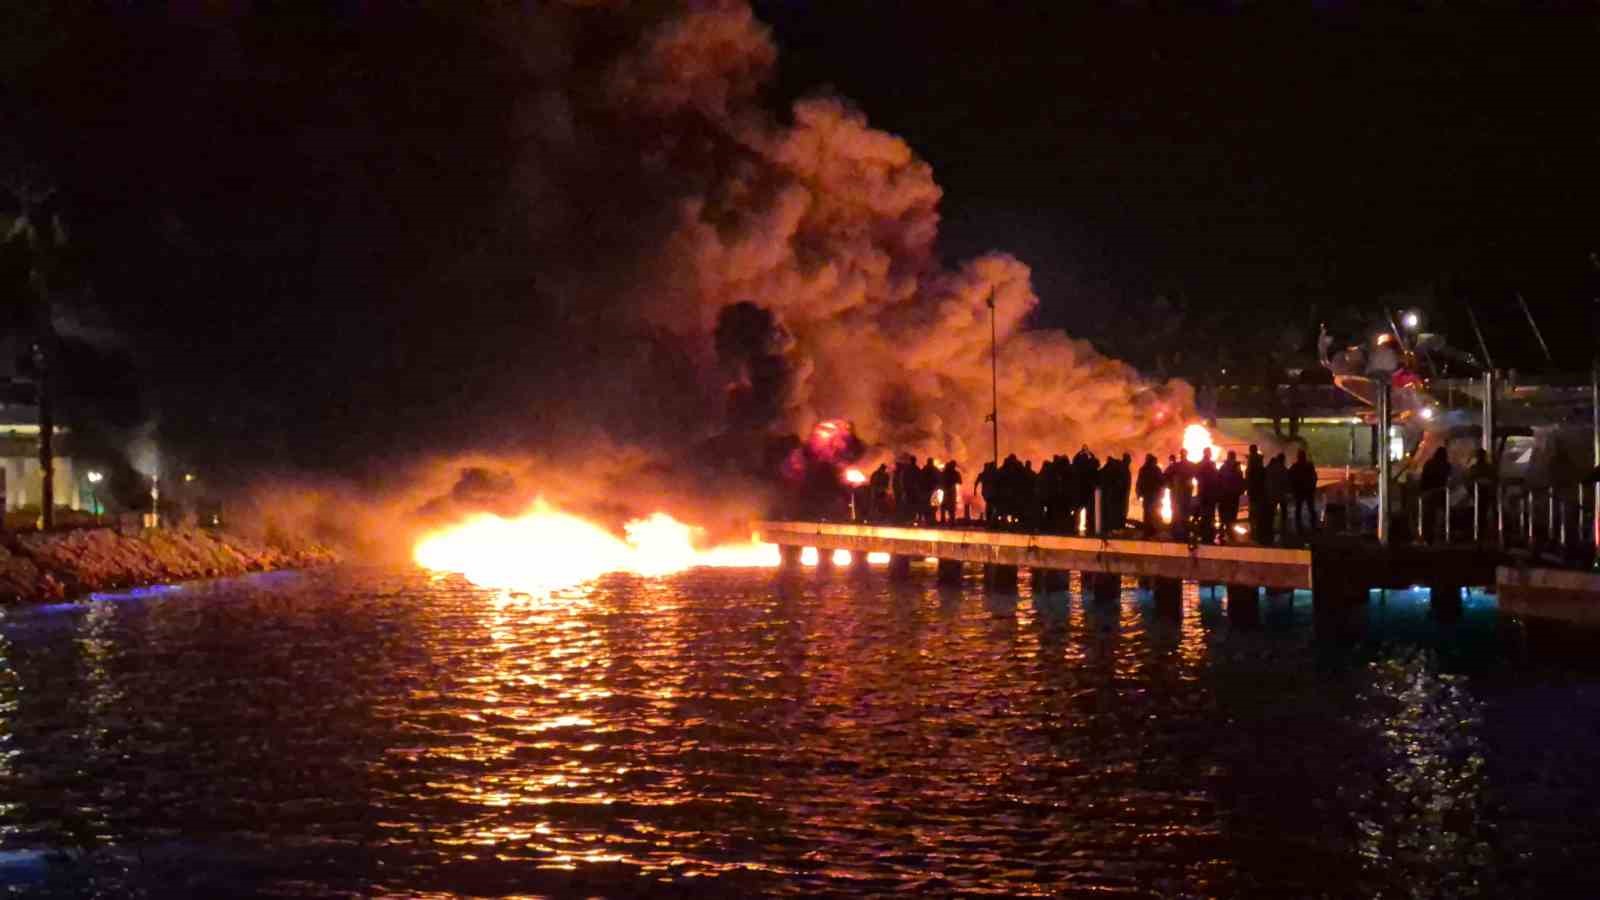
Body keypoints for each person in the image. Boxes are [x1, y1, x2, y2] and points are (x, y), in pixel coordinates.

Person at [1419, 446, 1451, 544]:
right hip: (1441, 492)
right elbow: (1449, 477)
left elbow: (1423, 478)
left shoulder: (1429, 463)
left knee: (1428, 516)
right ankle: (1439, 536)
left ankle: (1428, 537)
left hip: (1428, 492)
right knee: (1440, 515)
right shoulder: (1446, 465)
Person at [1466, 448, 1497, 543]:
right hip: (1485, 495)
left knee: (1479, 514)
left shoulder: (1474, 469)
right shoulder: (1489, 468)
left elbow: (1468, 481)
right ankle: (1483, 534)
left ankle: (1479, 534)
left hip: (1479, 495)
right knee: (1483, 514)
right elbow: (1494, 480)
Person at [1165, 452, 1194, 539]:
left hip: (1177, 495)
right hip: (1185, 496)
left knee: (1177, 513)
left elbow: (1165, 475)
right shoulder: (1190, 466)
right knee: (1184, 513)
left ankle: (1177, 533)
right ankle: (1184, 533)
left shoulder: (1175, 466)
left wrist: (1169, 485)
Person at [1288, 449, 1318, 535]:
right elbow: (1314, 477)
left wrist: (1292, 488)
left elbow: (1289, 476)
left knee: (1299, 509)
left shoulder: (1295, 466)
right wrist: (1313, 486)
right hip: (1307, 490)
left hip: (1299, 490)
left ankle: (1299, 527)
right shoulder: (1309, 465)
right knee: (1310, 508)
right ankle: (1313, 526)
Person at [1194, 447, 1219, 543]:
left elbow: (1196, 476)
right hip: (1209, 494)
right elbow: (1215, 478)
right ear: (1208, 454)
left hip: (1202, 493)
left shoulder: (1199, 464)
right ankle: (1208, 536)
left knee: (1203, 515)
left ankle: (1202, 535)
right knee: (1209, 515)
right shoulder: (1211, 464)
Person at [1263, 453, 1289, 544]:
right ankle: (1284, 525)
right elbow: (1287, 482)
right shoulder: (1284, 469)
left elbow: (1265, 478)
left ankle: (1269, 527)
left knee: (1271, 511)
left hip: (1272, 494)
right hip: (1281, 494)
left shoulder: (1271, 468)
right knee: (1283, 510)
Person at [1136, 453, 1164, 538]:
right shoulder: (1156, 469)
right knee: (1154, 512)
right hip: (1154, 495)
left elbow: (1139, 482)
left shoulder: (1143, 469)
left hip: (1148, 495)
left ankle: (1148, 530)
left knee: (1147, 513)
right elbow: (1161, 482)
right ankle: (1153, 530)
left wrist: (1139, 493)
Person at [1245, 444, 1267, 542]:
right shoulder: (1259, 463)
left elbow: (1248, 475)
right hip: (1259, 490)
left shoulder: (1251, 464)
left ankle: (1253, 531)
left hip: (1253, 490)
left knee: (1253, 510)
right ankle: (1257, 531)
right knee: (1257, 510)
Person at [939, 460, 962, 524]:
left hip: (947, 490)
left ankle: (947, 520)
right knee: (949, 506)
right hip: (949, 490)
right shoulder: (954, 473)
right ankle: (950, 520)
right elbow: (960, 481)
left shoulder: (945, 472)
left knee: (946, 505)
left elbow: (959, 481)